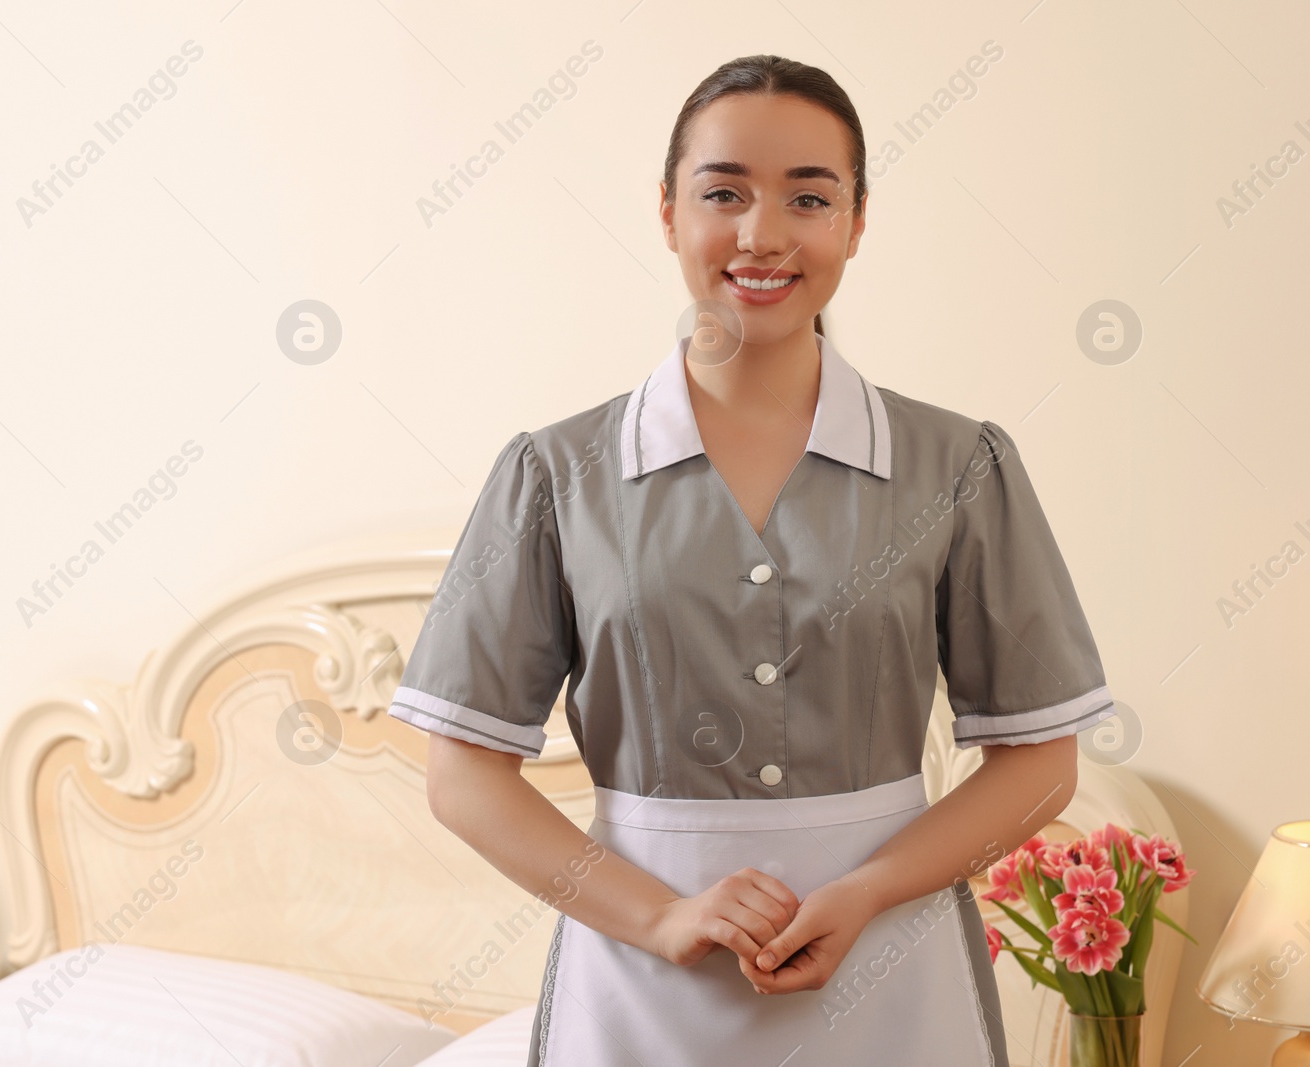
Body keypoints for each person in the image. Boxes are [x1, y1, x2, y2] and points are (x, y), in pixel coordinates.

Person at [386, 53, 1114, 1066]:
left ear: (856, 221)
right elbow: (461, 776)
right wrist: (657, 917)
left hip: (894, 972)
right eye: (722, 191)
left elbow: (1041, 761)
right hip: (639, 984)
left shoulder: (959, 466)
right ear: (667, 210)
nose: (761, 233)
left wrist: (866, 888)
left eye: (808, 197)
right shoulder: (555, 475)